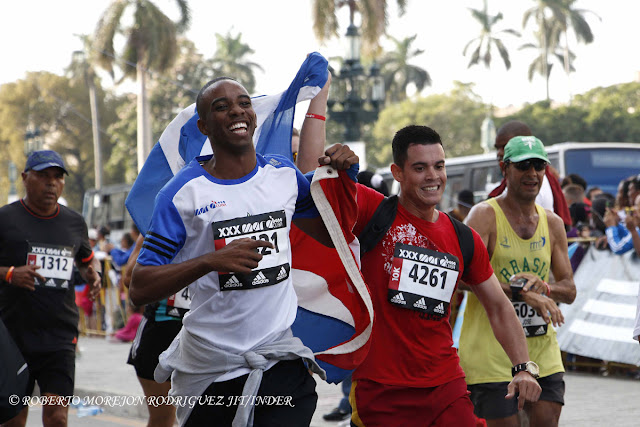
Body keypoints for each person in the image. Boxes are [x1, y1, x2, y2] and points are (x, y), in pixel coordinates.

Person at [129, 76, 357, 426]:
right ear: (204, 125)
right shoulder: (182, 193)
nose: (236, 110)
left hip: (278, 358)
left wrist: (344, 178)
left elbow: (332, 236)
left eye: (244, 103)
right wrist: (210, 261)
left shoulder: (283, 175)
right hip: (211, 367)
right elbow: (140, 287)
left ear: (253, 115)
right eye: (221, 107)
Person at [348, 125, 540, 426]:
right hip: (381, 389)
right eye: (420, 168)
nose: (433, 176)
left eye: (439, 166)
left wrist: (523, 368)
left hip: (445, 386)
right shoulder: (373, 211)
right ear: (397, 172)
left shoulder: (464, 238)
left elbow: (499, 307)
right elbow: (311, 189)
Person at [459, 136, 576, 427]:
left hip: (542, 351)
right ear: (505, 168)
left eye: (539, 166)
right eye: (524, 166)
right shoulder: (485, 215)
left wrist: (544, 288)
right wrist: (522, 293)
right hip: (491, 354)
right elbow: (463, 276)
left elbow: (569, 290)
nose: (533, 174)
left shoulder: (552, 223)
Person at [0, 150, 101, 427]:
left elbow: (84, 262)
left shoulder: (74, 222)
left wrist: (93, 276)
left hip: (59, 336)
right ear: (25, 178)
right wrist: (9, 273)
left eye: (57, 177)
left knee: (57, 417)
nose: (51, 183)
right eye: (43, 176)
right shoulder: (5, 219)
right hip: (13, 337)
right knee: (13, 420)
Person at [488, 121, 571, 228]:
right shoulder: (483, 214)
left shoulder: (531, 185)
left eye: (505, 146)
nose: (499, 153)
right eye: (497, 148)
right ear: (505, 168)